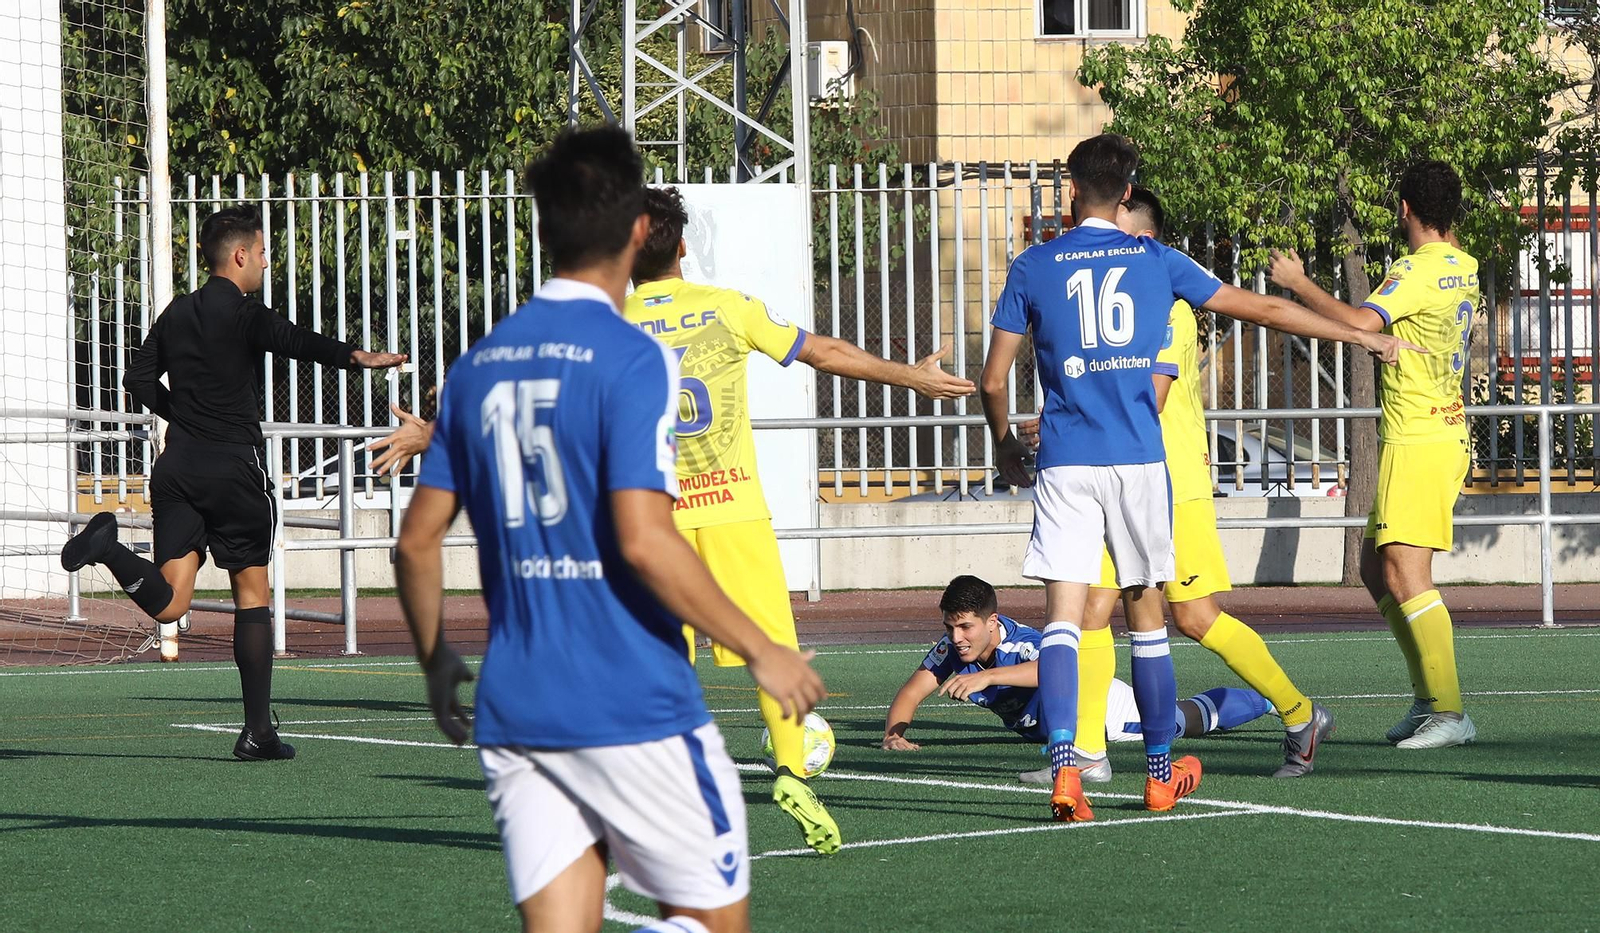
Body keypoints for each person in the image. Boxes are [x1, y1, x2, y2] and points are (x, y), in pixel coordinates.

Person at [394, 126, 824, 933]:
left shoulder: (478, 365)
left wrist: (436, 657)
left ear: (544, 227)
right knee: (715, 923)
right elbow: (644, 538)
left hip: (518, 704)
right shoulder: (632, 356)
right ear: (637, 229)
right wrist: (762, 648)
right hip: (632, 699)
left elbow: (416, 541)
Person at [979, 133, 1412, 822]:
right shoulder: (1157, 268)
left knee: (1130, 617)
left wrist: (1013, 438)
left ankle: (1286, 714)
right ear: (1124, 194)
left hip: (1128, 472)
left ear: (1071, 191)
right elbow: (1262, 310)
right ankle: (1127, 764)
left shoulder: (1044, 266)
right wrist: (1359, 335)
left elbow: (1000, 379)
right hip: (1138, 466)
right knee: (1128, 619)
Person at [622, 184, 974, 854]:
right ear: (683, 247)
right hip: (732, 511)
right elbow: (824, 352)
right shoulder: (728, 307)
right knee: (773, 652)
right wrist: (912, 377)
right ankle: (790, 770)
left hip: (652, 521)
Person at [59, 205, 406, 761]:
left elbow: (137, 378)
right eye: (263, 253)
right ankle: (257, 732)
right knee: (252, 595)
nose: (266, 263)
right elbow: (295, 340)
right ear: (240, 256)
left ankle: (108, 549)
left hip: (178, 468)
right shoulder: (245, 313)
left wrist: (181, 415)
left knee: (171, 605)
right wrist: (357, 357)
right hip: (235, 471)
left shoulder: (178, 311)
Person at [1042, 186, 1333, 781]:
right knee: (1092, 609)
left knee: (1196, 617)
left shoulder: (1168, 307)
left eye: (1117, 227)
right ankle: (1088, 755)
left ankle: (1300, 715)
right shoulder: (1120, 297)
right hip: (1117, 475)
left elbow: (1149, 399)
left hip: (1171, 483)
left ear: (1143, 239)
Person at [1269, 160, 1479, 750]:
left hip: (1419, 438)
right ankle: (1428, 698)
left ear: (1405, 209)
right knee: (1373, 568)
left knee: (1408, 573)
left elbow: (1363, 321)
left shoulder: (1415, 270)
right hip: (1438, 430)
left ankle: (1450, 710)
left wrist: (1300, 283)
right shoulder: (1463, 265)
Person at [880, 575, 1273, 787]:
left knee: (1181, 719)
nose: (956, 637)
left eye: (966, 627)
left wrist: (989, 677)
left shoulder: (1022, 643)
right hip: (1057, 727)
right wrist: (894, 733)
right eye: (950, 627)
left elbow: (1057, 669)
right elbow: (913, 689)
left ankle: (1273, 701)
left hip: (1098, 711)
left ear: (992, 622)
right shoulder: (954, 647)